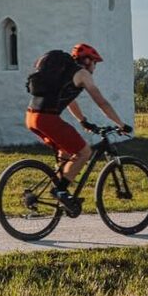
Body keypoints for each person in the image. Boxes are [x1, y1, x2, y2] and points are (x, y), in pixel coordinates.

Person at [25, 42, 132, 216]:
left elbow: (70, 101)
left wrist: (83, 121)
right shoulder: (82, 74)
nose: (95, 67)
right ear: (88, 61)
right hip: (47, 119)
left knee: (67, 154)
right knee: (84, 152)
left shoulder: (64, 73)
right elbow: (101, 102)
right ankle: (60, 191)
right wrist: (121, 124)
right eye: (95, 63)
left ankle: (61, 194)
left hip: (31, 118)